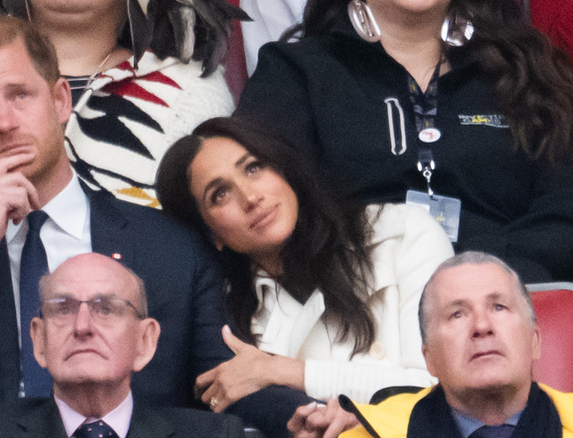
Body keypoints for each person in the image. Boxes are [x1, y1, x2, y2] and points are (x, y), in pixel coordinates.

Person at [0, 14, 306, 437]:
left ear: (60, 100)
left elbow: (222, 379)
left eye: (20, 95)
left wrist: (306, 417)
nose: (5, 122)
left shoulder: (169, 246)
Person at [234, 0, 573, 283]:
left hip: (511, 299)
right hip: (358, 306)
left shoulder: (531, 71)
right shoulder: (293, 72)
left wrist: (474, 271)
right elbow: (274, 221)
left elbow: (563, 216)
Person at [155, 117, 453, 414]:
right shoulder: (230, 326)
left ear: (283, 169)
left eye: (253, 168)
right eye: (220, 194)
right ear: (210, 234)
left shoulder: (403, 233)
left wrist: (282, 371)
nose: (250, 197)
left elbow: (442, 387)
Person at [0, 253, 246, 437]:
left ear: (144, 341)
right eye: (63, 309)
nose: (82, 327)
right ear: (39, 341)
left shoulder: (215, 435)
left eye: (106, 309)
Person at [290, 251, 573, 437]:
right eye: (457, 314)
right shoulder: (370, 433)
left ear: (534, 340)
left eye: (499, 307)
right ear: (429, 358)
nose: (481, 326)